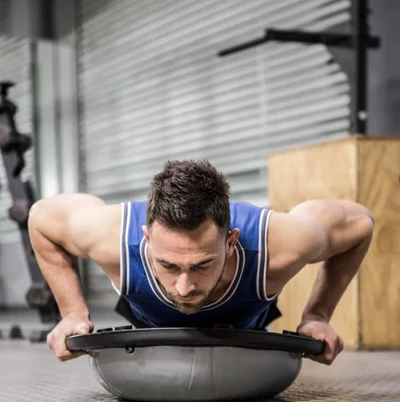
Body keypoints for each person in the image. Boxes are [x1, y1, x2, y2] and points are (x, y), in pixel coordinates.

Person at [28, 159, 374, 366]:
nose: (184, 287)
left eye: (202, 265)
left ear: (231, 241)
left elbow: (359, 223)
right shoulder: (109, 237)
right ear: (146, 239)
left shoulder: (281, 242)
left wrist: (318, 316)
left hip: (245, 335)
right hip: (147, 328)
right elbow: (41, 217)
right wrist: (72, 312)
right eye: (168, 265)